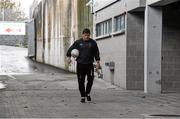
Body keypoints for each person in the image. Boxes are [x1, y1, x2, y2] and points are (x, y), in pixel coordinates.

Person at [66, 28, 100, 103]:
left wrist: (98, 62)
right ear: (82, 35)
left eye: (88, 35)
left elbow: (96, 53)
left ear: (89, 35)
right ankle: (82, 96)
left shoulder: (93, 43)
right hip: (80, 65)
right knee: (81, 81)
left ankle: (87, 93)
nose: (87, 37)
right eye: (85, 35)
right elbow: (70, 50)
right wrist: (68, 57)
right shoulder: (78, 42)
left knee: (90, 80)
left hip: (89, 64)